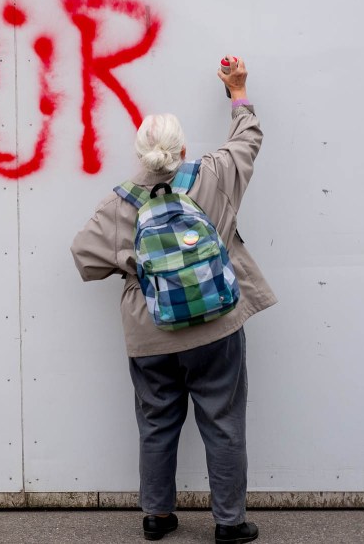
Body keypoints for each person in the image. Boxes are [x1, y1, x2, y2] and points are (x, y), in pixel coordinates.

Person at [70, 57, 276, 544]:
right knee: (223, 422)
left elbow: (84, 258)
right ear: (182, 148)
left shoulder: (120, 203)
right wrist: (238, 92)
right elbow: (248, 139)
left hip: (150, 333)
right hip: (216, 324)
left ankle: (158, 517)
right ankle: (229, 523)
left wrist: (135, 259)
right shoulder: (214, 174)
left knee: (157, 421)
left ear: (141, 154)